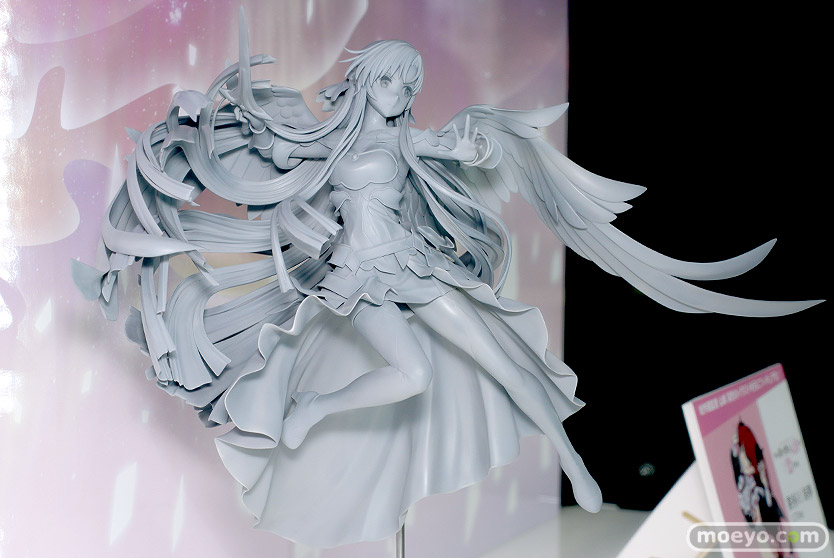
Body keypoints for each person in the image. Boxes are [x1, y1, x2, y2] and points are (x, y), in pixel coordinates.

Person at [73, 12, 819, 547]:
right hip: (359, 280)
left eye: (412, 82)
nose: (403, 92)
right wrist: (250, 142)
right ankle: (317, 408)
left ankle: (576, 464)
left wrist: (478, 146)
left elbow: (458, 149)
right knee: (413, 374)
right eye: (395, 80)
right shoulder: (328, 142)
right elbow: (283, 172)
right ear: (371, 79)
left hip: (414, 268)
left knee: (506, 358)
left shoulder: (410, 140)